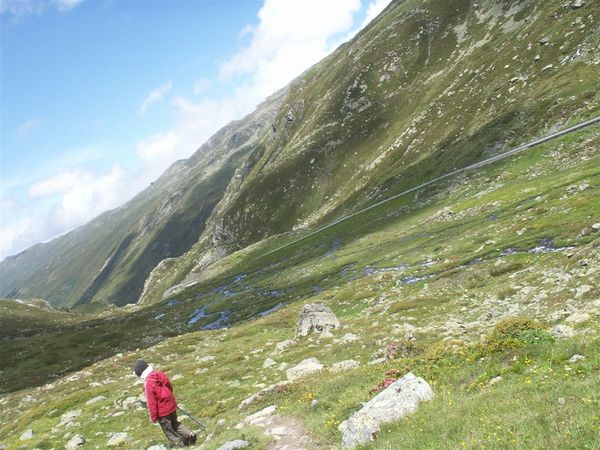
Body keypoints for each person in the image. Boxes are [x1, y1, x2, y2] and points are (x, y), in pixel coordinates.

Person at [133, 359, 197, 448]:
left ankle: (180, 445)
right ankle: (190, 434)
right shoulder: (160, 374)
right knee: (175, 423)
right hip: (171, 405)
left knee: (168, 430)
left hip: (162, 413)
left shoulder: (148, 384)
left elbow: (152, 403)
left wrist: (153, 417)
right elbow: (169, 386)